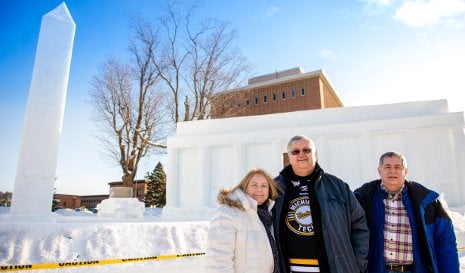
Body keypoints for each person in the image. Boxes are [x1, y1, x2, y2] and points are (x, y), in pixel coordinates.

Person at [273, 134, 369, 273]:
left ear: (315, 153)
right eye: (296, 151)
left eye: (307, 150)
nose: (301, 154)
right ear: (289, 156)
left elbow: (359, 224)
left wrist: (356, 265)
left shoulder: (337, 186)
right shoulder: (274, 188)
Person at [354, 151, 460, 273]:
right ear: (379, 171)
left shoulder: (427, 202)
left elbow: (445, 245)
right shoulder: (363, 199)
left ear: (405, 171)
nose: (392, 171)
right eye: (387, 167)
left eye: (397, 167)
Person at [205, 168, 281, 273]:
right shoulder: (227, 213)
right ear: (244, 187)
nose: (259, 189)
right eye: (254, 185)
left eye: (264, 186)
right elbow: (218, 261)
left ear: (269, 191)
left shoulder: (268, 216)